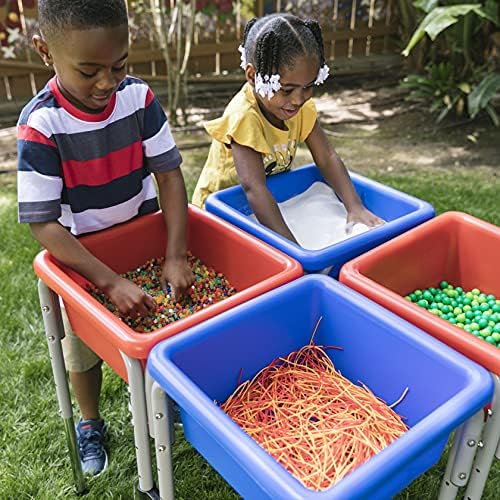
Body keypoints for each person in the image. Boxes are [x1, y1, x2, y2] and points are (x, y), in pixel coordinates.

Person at [17, 0, 193, 476]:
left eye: (118, 66)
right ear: (44, 52)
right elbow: (44, 223)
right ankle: (91, 422)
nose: (106, 83)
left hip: (145, 245)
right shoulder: (42, 125)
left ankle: (159, 401)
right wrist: (109, 281)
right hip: (84, 261)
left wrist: (175, 253)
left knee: (157, 335)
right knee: (82, 350)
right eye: (89, 70)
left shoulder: (138, 99)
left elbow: (170, 177)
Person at [192, 14, 383, 243]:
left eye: (308, 87)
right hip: (219, 211)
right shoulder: (244, 118)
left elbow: (327, 156)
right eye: (287, 90)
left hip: (269, 199)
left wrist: (354, 207)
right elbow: (254, 189)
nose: (298, 99)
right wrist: (292, 247)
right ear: (253, 76)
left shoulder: (299, 109)